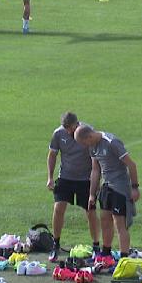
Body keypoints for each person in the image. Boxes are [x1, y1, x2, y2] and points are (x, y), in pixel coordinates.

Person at [73, 124, 139, 265]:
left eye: (84, 143)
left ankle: (124, 259)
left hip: (120, 187)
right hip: (107, 186)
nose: (85, 146)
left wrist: (134, 188)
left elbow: (132, 165)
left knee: (119, 223)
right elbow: (95, 170)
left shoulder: (112, 142)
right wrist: (92, 194)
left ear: (89, 136)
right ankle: (106, 253)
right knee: (104, 219)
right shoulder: (92, 146)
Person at [46, 112, 100, 263]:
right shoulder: (58, 134)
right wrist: (50, 177)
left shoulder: (87, 132)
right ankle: (55, 244)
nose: (69, 131)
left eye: (71, 128)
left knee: (90, 211)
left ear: (77, 124)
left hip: (85, 179)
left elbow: (95, 160)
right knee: (58, 208)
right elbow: (52, 155)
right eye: (66, 128)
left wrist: (95, 183)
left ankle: (96, 246)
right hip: (65, 177)